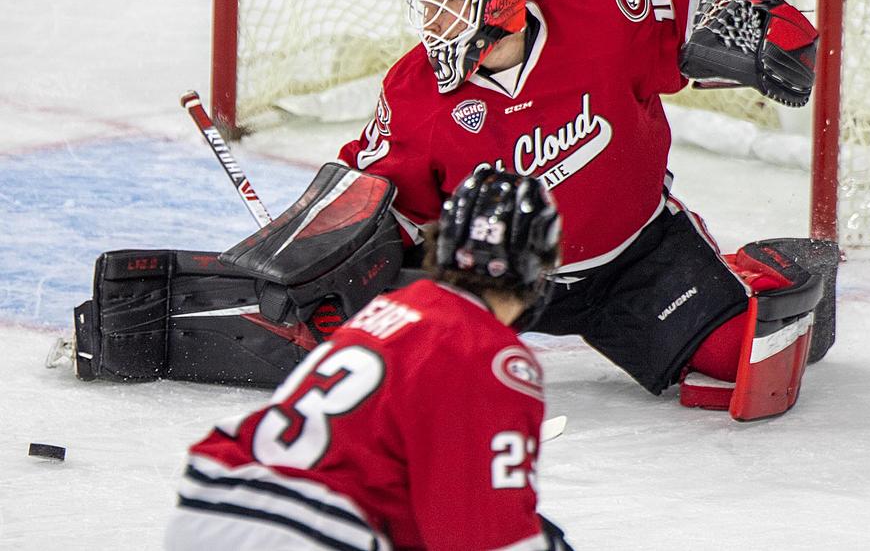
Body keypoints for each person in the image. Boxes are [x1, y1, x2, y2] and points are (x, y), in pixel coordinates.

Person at [337, 0, 833, 420]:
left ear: (495, 5)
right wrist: (317, 253)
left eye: (447, 8)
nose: (433, 25)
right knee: (382, 369)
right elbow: (375, 194)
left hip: (637, 259)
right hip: (494, 277)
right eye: (427, 10)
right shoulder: (412, 92)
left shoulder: (594, 9)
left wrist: (773, 21)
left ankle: (764, 269)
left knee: (737, 360)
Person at [164, 169, 573, 551]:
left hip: (212, 503)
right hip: (309, 528)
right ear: (537, 267)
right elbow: (484, 538)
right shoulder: (490, 352)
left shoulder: (396, 310)